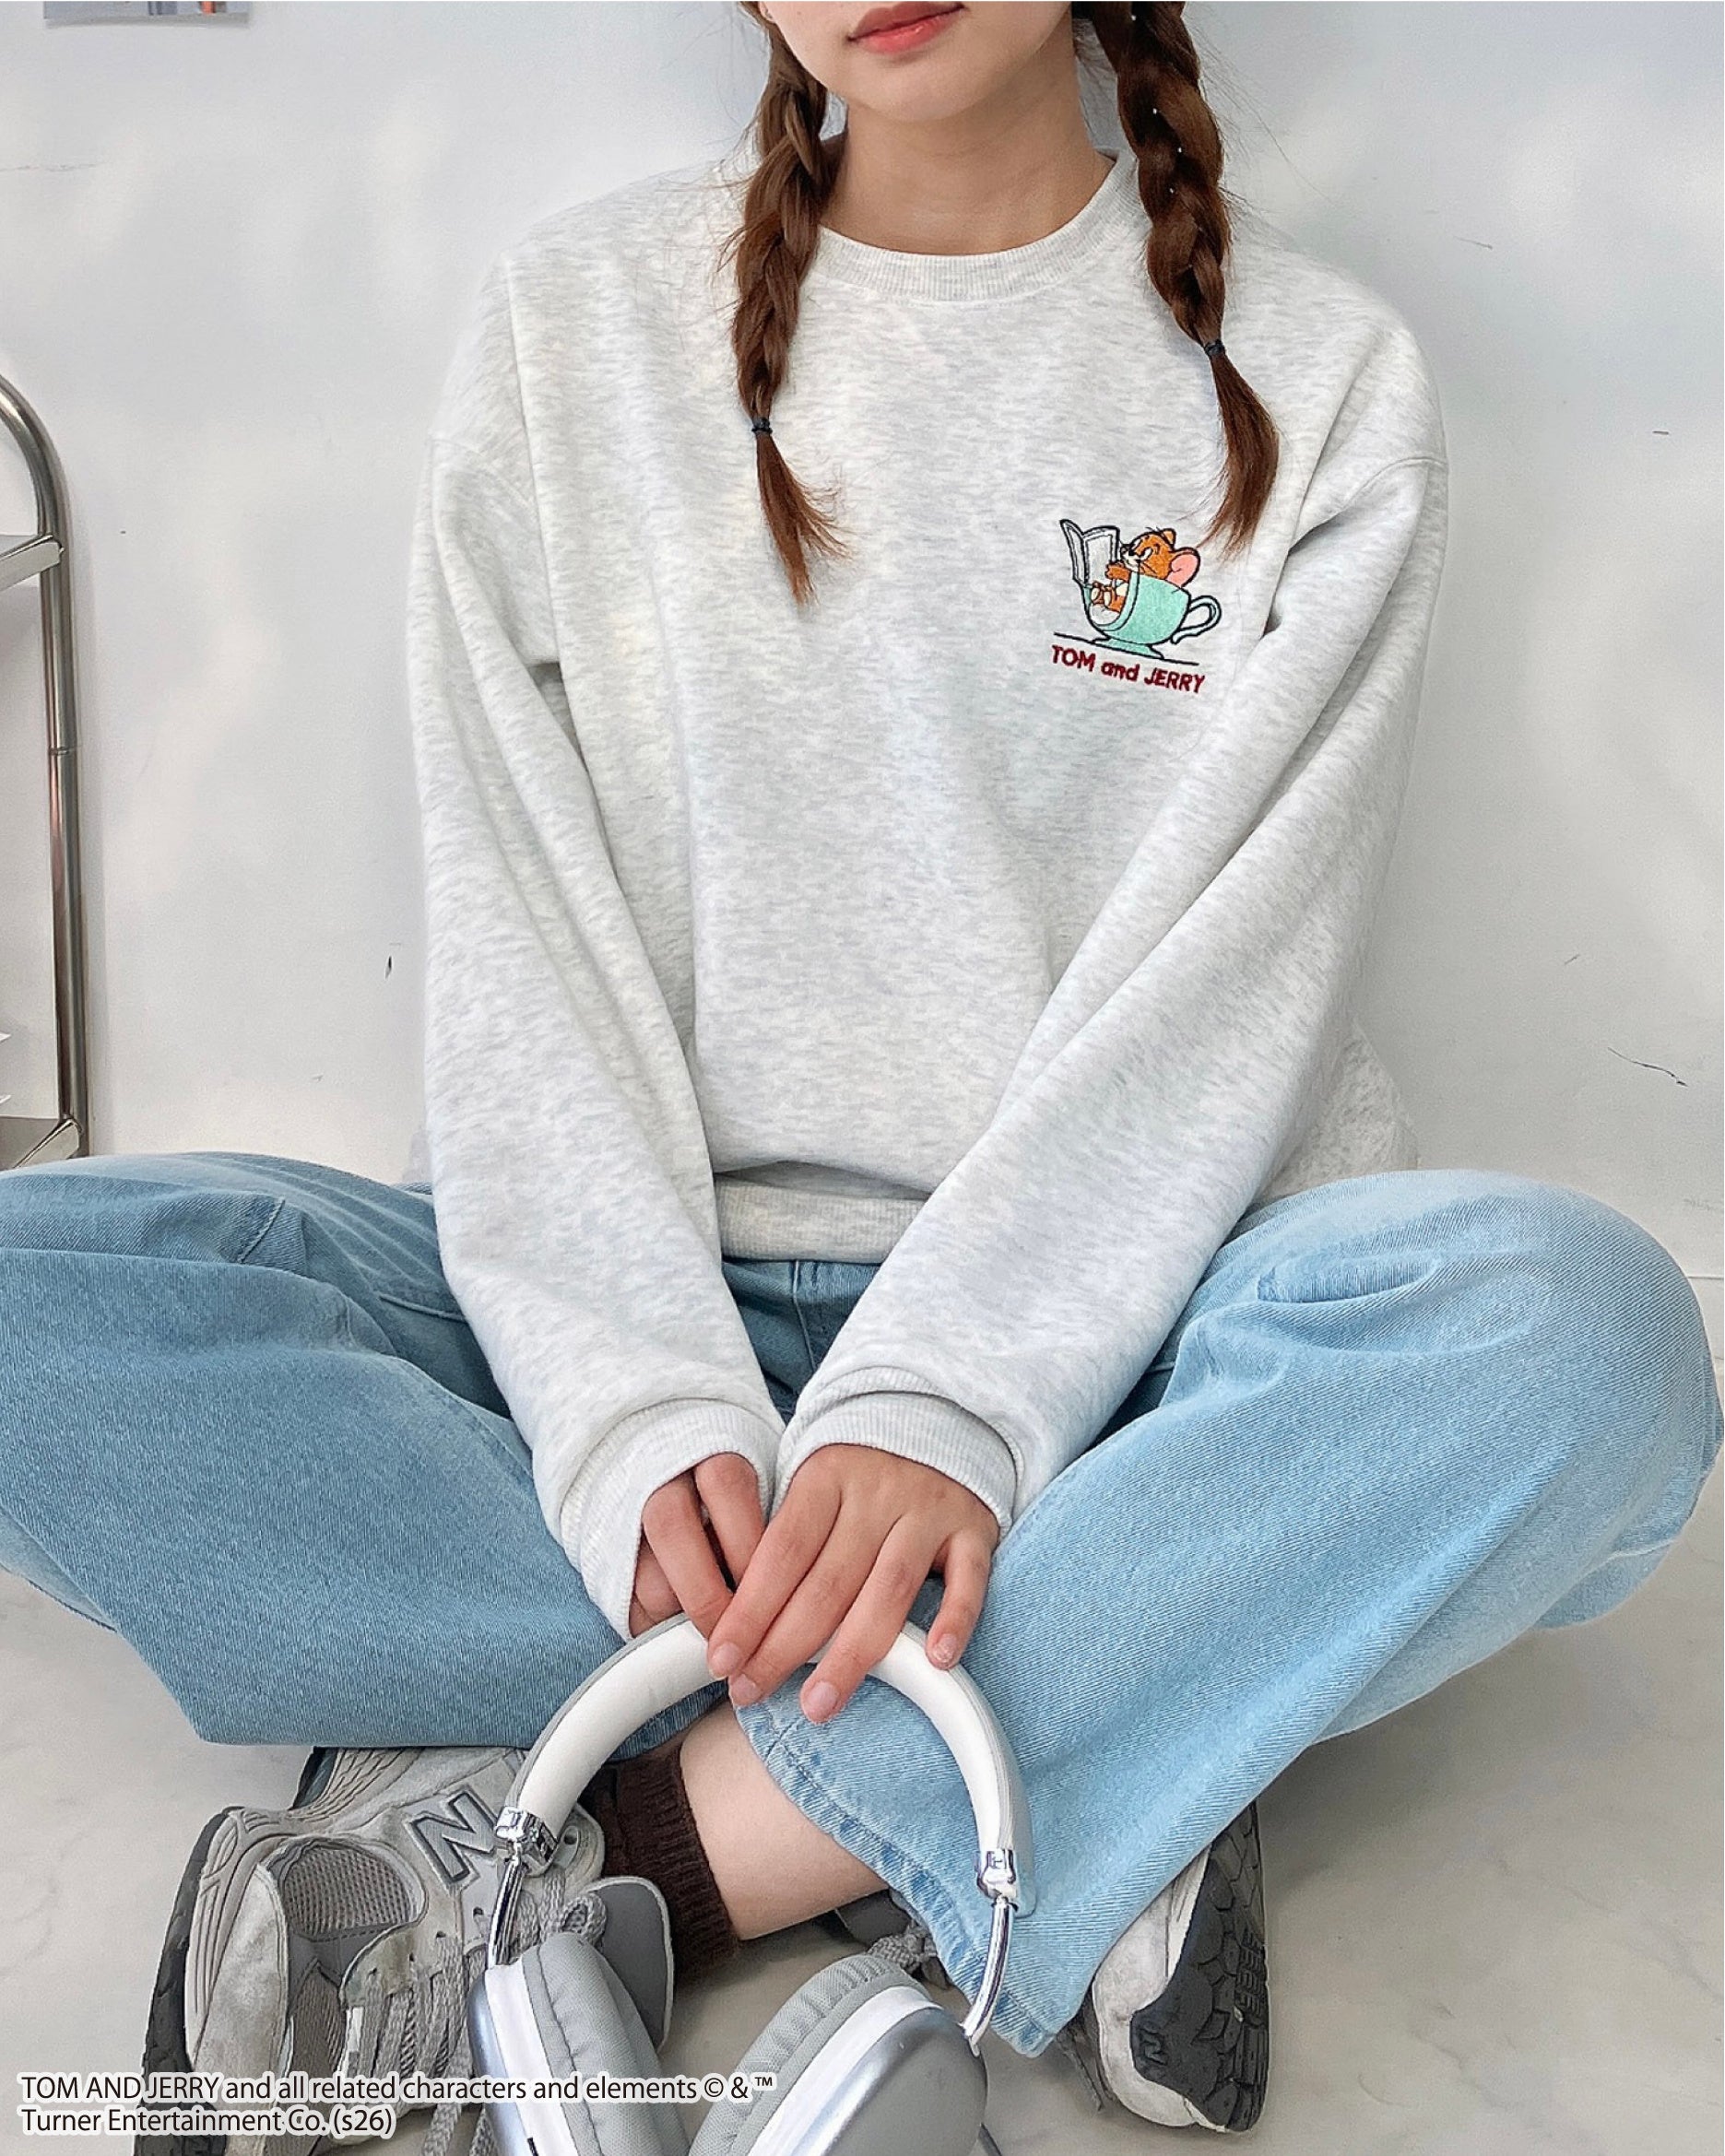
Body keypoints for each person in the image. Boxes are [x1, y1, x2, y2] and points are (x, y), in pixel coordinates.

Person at [0, 4, 1717, 2149]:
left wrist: (954, 1406)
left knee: (1584, 1336)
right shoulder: (568, 329)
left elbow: (1229, 1000)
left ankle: (634, 1841)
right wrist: (635, 1418)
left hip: (1135, 1337)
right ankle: (1100, 1724)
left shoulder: (1323, 379)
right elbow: (525, 958)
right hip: (643, 1294)